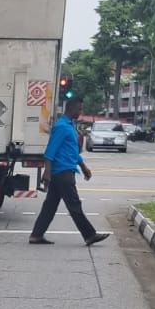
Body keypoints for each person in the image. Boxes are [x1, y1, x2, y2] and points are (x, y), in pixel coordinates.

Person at [29, 93, 109, 247]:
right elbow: (50, 151)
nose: (80, 112)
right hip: (62, 173)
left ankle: (36, 235)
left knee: (50, 205)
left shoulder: (70, 125)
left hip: (65, 170)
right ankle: (89, 235)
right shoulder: (61, 127)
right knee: (74, 205)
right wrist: (47, 172)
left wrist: (83, 167)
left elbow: (72, 151)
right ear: (71, 108)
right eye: (79, 109)